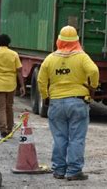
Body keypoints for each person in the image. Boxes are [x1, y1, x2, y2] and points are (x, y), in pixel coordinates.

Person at [37, 25, 99, 181]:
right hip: (78, 102)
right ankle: (73, 171)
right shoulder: (82, 57)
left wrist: (46, 96)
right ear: (77, 41)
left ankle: (58, 170)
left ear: (59, 40)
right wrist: (93, 86)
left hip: (56, 102)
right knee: (77, 138)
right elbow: (94, 71)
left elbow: (41, 80)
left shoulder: (50, 58)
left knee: (59, 137)